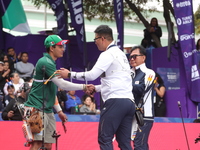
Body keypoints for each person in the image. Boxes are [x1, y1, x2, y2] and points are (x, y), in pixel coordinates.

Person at [57, 25, 135, 150]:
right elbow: (117, 81)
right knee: (124, 142)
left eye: (95, 39)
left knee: (105, 138)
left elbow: (92, 75)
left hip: (115, 101)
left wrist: (70, 74)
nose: (95, 42)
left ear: (102, 38)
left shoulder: (107, 54)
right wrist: (96, 89)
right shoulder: (121, 55)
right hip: (129, 102)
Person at [23, 34, 94, 150]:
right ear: (52, 48)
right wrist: (84, 86)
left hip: (46, 110)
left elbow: (51, 91)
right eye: (60, 46)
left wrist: (59, 111)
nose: (63, 49)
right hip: (36, 109)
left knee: (48, 145)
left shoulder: (50, 63)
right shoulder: (46, 62)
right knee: (37, 144)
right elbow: (62, 84)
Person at [129, 45, 155, 150]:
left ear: (143, 58)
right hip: (130, 114)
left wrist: (126, 84)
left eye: (135, 56)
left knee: (140, 144)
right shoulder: (129, 73)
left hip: (144, 116)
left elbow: (142, 89)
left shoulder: (149, 72)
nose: (131, 59)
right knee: (136, 143)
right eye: (130, 57)